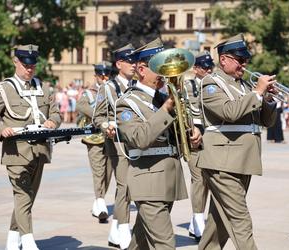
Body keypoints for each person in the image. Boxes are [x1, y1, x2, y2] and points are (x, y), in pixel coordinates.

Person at [115, 39, 202, 249]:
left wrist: (193, 133)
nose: (165, 72)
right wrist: (167, 108)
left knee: (141, 241)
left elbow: (178, 135)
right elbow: (139, 138)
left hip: (168, 179)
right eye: (159, 67)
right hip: (148, 181)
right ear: (142, 69)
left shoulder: (164, 97)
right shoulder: (127, 103)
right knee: (165, 244)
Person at [197, 33, 277, 250]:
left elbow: (265, 122)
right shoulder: (211, 83)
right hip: (222, 161)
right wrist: (258, 92)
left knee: (219, 223)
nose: (244, 64)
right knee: (240, 221)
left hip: (242, 161)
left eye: (245, 60)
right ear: (224, 60)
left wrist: (268, 100)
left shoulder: (243, 86)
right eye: (240, 59)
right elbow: (229, 112)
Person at [0, 44, 61, 250]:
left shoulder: (44, 87)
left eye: (33, 65)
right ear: (16, 62)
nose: (30, 69)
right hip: (16, 151)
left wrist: (53, 122)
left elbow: (56, 113)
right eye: (25, 65)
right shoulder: (3, 88)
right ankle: (28, 240)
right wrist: (1, 128)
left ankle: (13, 238)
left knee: (28, 196)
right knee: (23, 194)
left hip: (40, 150)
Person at [94, 44, 136, 249]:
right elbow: (97, 117)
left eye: (136, 61)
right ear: (119, 64)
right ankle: (123, 229)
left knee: (129, 188)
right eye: (130, 61)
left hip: (137, 141)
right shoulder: (107, 87)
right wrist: (105, 125)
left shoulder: (138, 85)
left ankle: (115, 231)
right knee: (124, 185)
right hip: (117, 142)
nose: (134, 65)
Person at [76, 61, 113, 223]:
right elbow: (81, 106)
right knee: (98, 170)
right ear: (96, 76)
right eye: (101, 75)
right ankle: (100, 202)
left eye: (106, 75)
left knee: (108, 172)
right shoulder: (89, 93)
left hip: (110, 136)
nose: (104, 78)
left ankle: (99, 200)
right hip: (94, 137)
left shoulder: (113, 91)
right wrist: (100, 117)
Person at [185, 50, 214, 242]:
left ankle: (194, 222)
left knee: (207, 182)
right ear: (196, 69)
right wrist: (192, 129)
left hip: (211, 138)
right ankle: (197, 218)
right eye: (205, 67)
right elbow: (185, 110)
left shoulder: (215, 85)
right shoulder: (188, 85)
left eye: (211, 67)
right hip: (194, 137)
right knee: (198, 180)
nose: (209, 70)